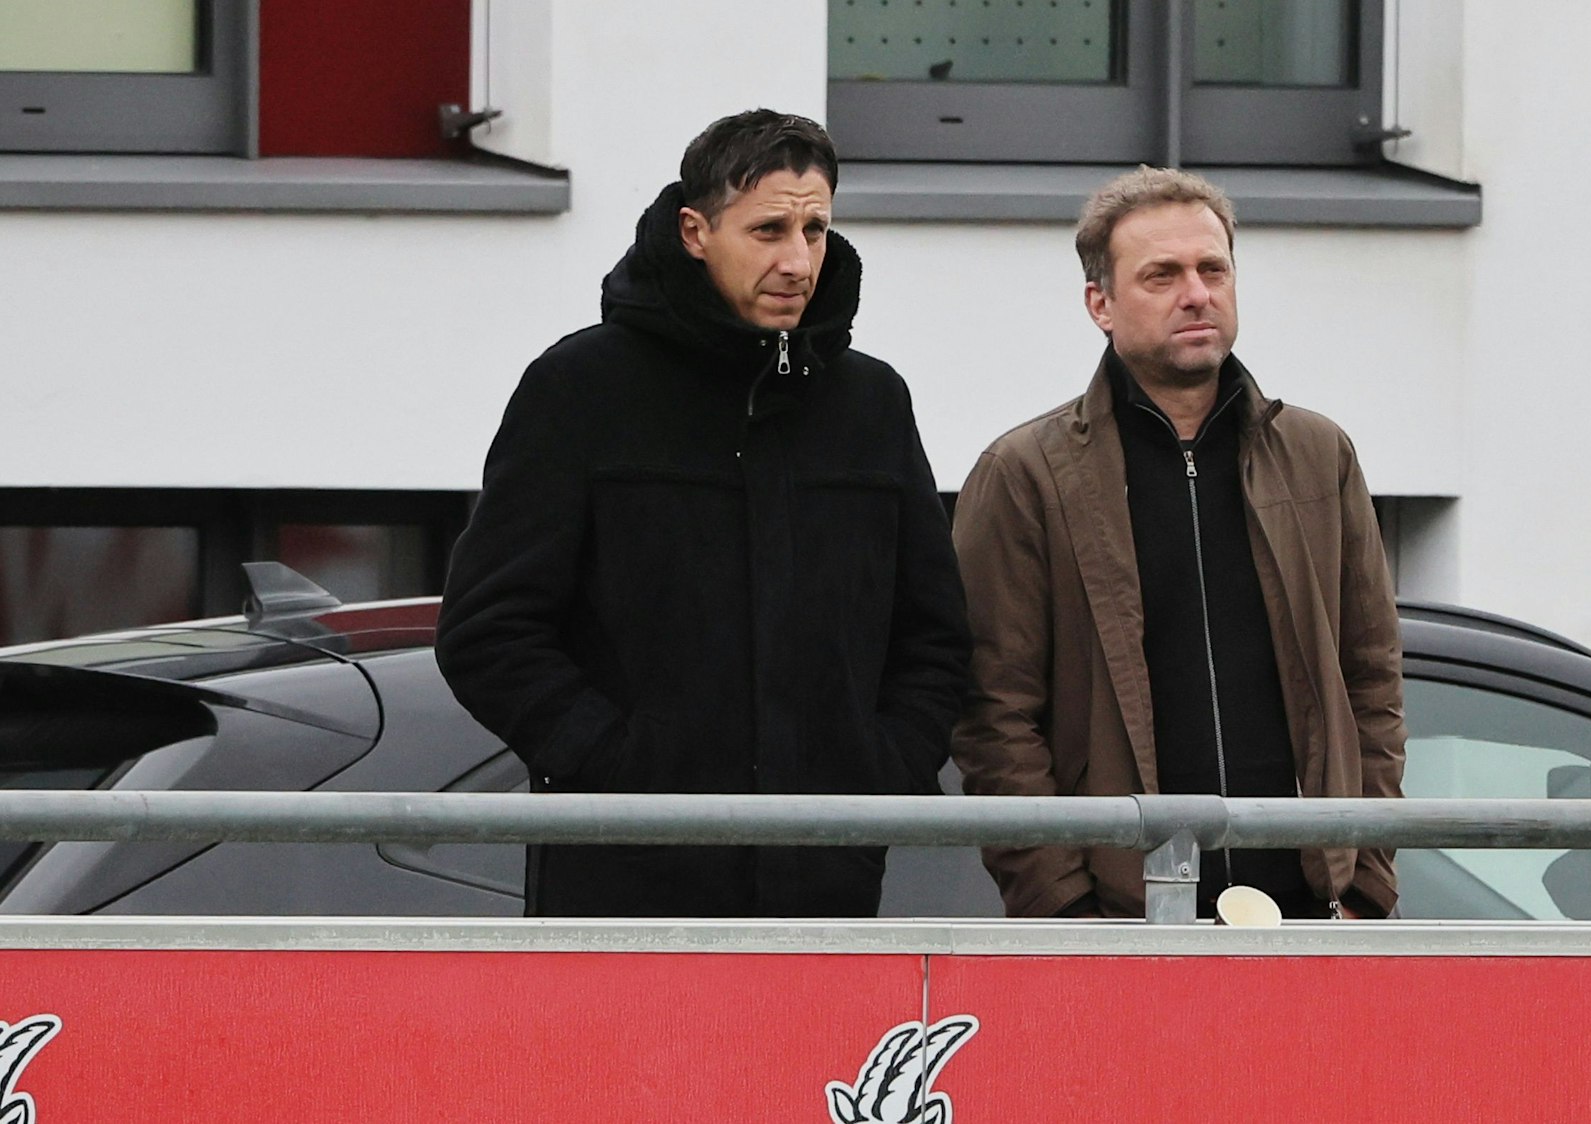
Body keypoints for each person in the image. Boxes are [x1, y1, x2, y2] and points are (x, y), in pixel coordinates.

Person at [436, 109, 969, 918]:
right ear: (695, 231)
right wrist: (622, 771)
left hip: (827, 893)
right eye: (768, 230)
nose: (798, 260)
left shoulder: (872, 403)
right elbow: (488, 632)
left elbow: (934, 635)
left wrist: (879, 769)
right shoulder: (581, 388)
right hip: (622, 898)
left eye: (816, 229)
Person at [950, 167, 1405, 920]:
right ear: (1100, 303)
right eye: (1161, 275)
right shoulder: (1027, 476)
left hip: (1308, 916)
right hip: (1122, 925)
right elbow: (995, 716)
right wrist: (1065, 908)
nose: (1196, 293)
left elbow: (1372, 682)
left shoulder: (1320, 458)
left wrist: (1363, 884)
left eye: (1212, 269)